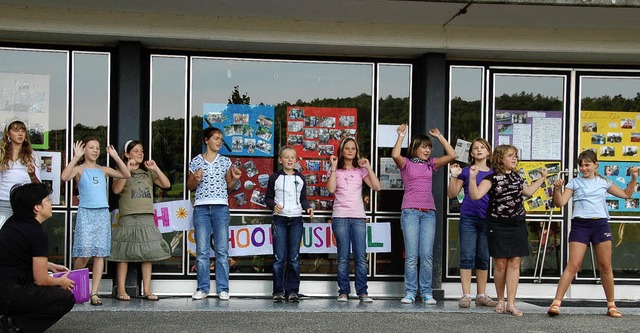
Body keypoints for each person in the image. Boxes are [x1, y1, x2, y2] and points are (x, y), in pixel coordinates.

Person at [547, 151, 638, 318]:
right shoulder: (574, 182)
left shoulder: (604, 182)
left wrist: (633, 179)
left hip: (600, 224)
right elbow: (560, 203)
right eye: (581, 165)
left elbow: (626, 194)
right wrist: (557, 189)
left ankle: (611, 305)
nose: (583, 168)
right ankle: (556, 303)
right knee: (573, 265)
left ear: (596, 165)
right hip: (580, 225)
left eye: (587, 164)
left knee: (605, 266)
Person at [468, 144, 547, 316]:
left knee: (515, 262)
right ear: (500, 159)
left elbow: (529, 191)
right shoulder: (491, 178)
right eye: (510, 155)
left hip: (517, 223)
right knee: (500, 264)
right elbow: (475, 195)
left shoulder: (517, 177)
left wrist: (542, 178)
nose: (514, 159)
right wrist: (473, 178)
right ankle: (501, 300)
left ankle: (511, 303)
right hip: (497, 224)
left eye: (515, 156)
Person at [60, 137, 131, 306]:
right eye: (91, 147)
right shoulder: (79, 169)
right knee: (84, 253)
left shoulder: (103, 170)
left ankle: (94, 292)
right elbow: (64, 177)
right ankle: (75, 287)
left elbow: (126, 174)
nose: (95, 150)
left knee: (99, 254)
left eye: (97, 148)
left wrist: (115, 156)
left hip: (101, 213)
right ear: (84, 149)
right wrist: (75, 157)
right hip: (86, 212)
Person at [391, 124, 456, 304]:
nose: (427, 150)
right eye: (423, 147)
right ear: (415, 148)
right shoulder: (407, 164)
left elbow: (452, 155)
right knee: (412, 256)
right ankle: (411, 292)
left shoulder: (430, 165)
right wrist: (401, 136)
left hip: (429, 214)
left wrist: (440, 137)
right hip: (410, 212)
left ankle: (426, 292)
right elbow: (395, 155)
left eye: (429, 147)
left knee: (426, 255)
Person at [0, 183, 75, 333]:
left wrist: (48, 265)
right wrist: (61, 281)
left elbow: (16, 256)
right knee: (65, 298)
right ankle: (13, 326)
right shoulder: (37, 232)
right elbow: (41, 280)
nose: (51, 203)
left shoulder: (12, 223)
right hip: (12, 294)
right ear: (37, 207)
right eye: (47, 199)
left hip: (4, 290)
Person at [110, 140, 172, 301]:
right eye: (136, 151)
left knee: (147, 253)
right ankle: (121, 290)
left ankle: (147, 290)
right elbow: (116, 190)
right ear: (127, 154)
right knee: (123, 253)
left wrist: (155, 168)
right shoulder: (120, 170)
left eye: (141, 151)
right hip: (128, 216)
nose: (140, 153)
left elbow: (166, 184)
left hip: (146, 216)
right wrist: (126, 170)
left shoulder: (148, 173)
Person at [187, 127, 242, 301]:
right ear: (206, 140)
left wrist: (235, 178)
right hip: (201, 208)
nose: (219, 141)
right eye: (216, 138)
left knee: (222, 250)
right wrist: (195, 179)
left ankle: (223, 288)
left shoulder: (225, 161)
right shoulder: (196, 161)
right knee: (202, 251)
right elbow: (189, 187)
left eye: (221, 139)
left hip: (220, 207)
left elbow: (229, 186)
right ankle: (202, 288)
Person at [326, 138, 381, 303]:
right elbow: (331, 189)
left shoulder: (360, 171)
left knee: (360, 256)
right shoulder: (336, 170)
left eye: (353, 149)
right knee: (343, 256)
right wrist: (334, 168)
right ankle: (343, 291)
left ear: (356, 152)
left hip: (358, 217)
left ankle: (362, 292)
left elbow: (377, 187)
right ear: (342, 151)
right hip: (340, 217)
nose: (350, 151)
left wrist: (368, 167)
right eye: (347, 148)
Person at [447, 138, 498, 309]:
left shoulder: (494, 173)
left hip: (487, 218)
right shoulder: (466, 171)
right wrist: (453, 177)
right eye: (475, 148)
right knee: (467, 256)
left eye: (482, 147)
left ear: (488, 152)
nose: (479, 150)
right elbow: (452, 194)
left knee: (483, 257)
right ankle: (466, 295)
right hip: (468, 217)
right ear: (471, 153)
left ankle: (481, 295)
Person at [265, 145, 314, 303]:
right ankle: (278, 291)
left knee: (293, 258)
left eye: (293, 157)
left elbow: (304, 199)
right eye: (286, 157)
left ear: (296, 160)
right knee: (279, 258)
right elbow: (268, 198)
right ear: (280, 160)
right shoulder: (274, 178)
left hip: (296, 220)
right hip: (279, 220)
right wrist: (273, 205)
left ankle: (292, 291)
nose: (290, 159)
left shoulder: (300, 178)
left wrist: (308, 208)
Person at [0, 120, 41, 229]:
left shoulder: (32, 156)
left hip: (24, 203)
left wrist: (32, 175)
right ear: (8, 134)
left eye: (23, 131)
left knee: (22, 235)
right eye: (16, 130)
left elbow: (39, 187)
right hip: (4, 202)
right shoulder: (2, 154)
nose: (20, 133)